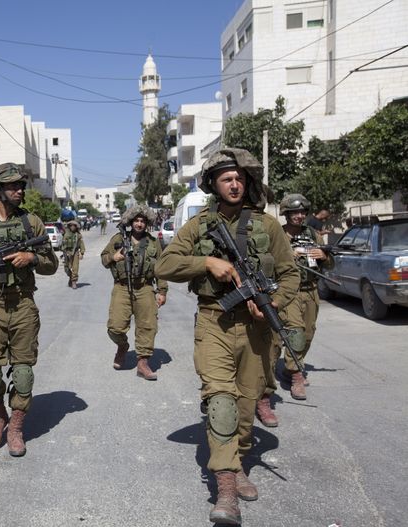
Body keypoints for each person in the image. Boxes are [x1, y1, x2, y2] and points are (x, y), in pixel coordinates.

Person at [155, 148, 299, 525]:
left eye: (239, 178)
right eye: (226, 179)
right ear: (215, 186)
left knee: (248, 405)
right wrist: (206, 262)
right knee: (222, 402)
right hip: (214, 322)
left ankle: (239, 465)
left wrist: (274, 301)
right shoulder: (199, 225)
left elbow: (290, 274)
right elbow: (165, 264)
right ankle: (226, 490)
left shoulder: (267, 226)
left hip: (256, 328)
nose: (234, 184)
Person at [0, 163, 58, 457]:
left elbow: (52, 264)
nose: (19, 190)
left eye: (21, 186)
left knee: (22, 374)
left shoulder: (32, 223)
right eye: (12, 186)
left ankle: (16, 427)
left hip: (22, 303)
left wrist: (31, 257)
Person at [257, 194, 329, 427]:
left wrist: (324, 256)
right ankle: (294, 374)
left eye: (302, 213)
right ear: (286, 215)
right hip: (289, 292)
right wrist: (290, 255)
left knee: (307, 334)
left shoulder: (312, 234)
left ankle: (290, 370)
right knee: (293, 333)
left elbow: (328, 264)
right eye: (294, 213)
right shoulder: (277, 234)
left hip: (310, 290)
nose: (299, 216)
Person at [101, 205, 167, 379]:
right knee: (115, 327)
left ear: (147, 223)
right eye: (136, 220)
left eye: (142, 221)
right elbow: (104, 258)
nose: (139, 224)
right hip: (122, 287)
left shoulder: (153, 243)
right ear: (131, 222)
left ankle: (143, 363)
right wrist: (113, 257)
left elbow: (161, 268)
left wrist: (162, 291)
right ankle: (122, 346)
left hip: (145, 288)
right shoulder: (118, 238)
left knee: (147, 326)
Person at [60, 220, 85, 289]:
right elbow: (63, 244)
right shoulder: (65, 233)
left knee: (75, 268)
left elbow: (81, 244)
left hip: (75, 253)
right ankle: (71, 277)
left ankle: (74, 281)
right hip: (67, 253)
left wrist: (82, 253)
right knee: (66, 268)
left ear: (76, 227)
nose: (72, 227)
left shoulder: (78, 235)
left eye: (74, 226)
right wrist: (64, 252)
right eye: (71, 226)